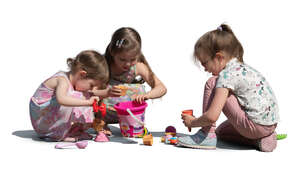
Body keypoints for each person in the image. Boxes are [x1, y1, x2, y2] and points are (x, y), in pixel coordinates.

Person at [178, 24, 279, 152]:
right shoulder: (243, 69)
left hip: (253, 126)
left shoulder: (226, 75)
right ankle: (261, 139)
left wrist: (193, 122)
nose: (204, 68)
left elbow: (211, 117)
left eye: (205, 63)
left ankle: (206, 135)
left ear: (219, 57)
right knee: (221, 132)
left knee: (212, 83)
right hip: (270, 125)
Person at [91, 27, 167, 135]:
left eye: (132, 59)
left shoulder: (138, 67)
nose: (127, 64)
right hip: (102, 111)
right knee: (103, 87)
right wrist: (106, 92)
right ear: (113, 52)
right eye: (122, 59)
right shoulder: (103, 65)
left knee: (139, 89)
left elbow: (161, 88)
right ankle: (100, 122)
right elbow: (90, 92)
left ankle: (130, 123)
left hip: (127, 113)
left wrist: (147, 96)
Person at [29, 50, 109, 142]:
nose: (91, 89)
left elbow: (92, 94)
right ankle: (58, 134)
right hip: (42, 121)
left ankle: (71, 129)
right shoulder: (62, 81)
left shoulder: (74, 83)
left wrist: (107, 93)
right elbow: (62, 100)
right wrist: (87, 102)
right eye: (91, 85)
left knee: (83, 96)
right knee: (79, 98)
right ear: (82, 74)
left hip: (48, 118)